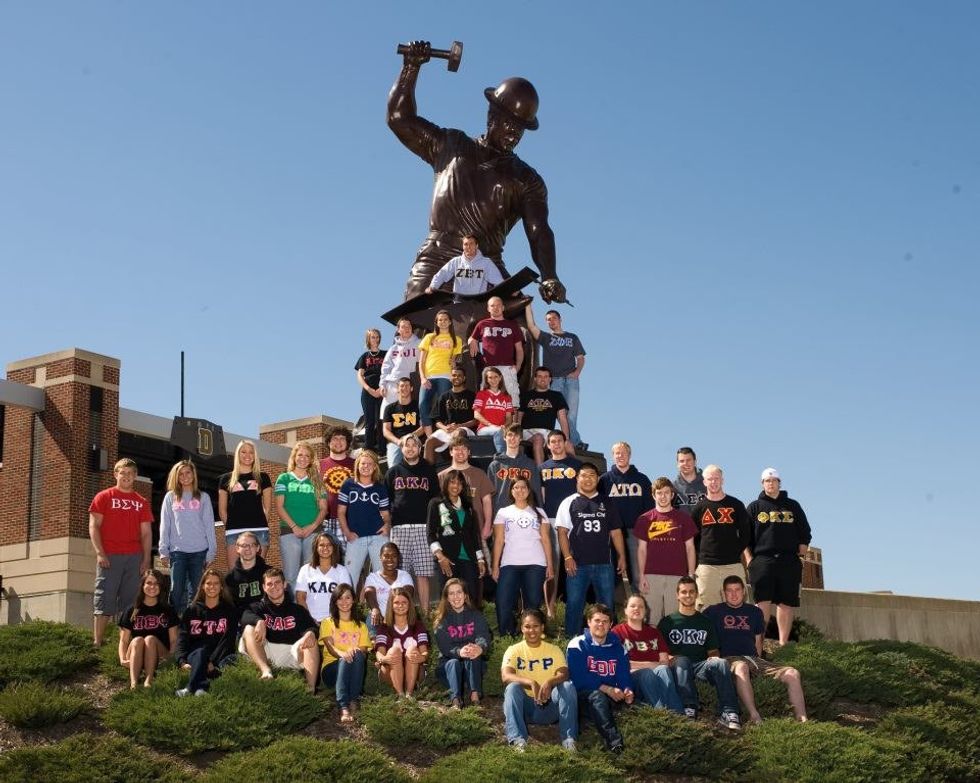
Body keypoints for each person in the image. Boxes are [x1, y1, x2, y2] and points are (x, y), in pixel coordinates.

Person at [389, 43, 566, 304]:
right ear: (492, 114)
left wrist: (550, 275)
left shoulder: (527, 180)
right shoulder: (450, 146)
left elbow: (539, 230)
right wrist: (411, 68)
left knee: (518, 322)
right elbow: (399, 118)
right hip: (437, 260)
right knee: (417, 318)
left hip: (488, 265)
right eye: (509, 123)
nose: (513, 134)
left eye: (520, 128)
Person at [705, 575, 808, 723]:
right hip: (729, 660)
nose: (733, 594)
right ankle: (754, 715)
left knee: (792, 673)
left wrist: (758, 663)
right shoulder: (713, 612)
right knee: (741, 667)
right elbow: (703, 635)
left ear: (744, 592)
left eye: (737, 590)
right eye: (729, 590)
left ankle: (802, 718)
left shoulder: (754, 612)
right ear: (723, 593)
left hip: (754, 659)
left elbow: (759, 640)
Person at [658, 576, 741, 729]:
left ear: (696, 594)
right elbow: (659, 652)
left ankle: (730, 712)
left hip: (700, 666)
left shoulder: (705, 621)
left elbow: (713, 650)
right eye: (684, 592)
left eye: (691, 592)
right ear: (677, 595)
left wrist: (713, 658)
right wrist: (671, 658)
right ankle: (689, 707)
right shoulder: (667, 622)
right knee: (682, 660)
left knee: (721, 662)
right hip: (678, 665)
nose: (688, 595)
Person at [555, 463, 626, 639]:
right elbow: (562, 532)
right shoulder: (568, 502)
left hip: (604, 563)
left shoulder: (607, 502)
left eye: (592, 475)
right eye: (584, 475)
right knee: (574, 604)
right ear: (577, 478)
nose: (588, 479)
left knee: (606, 605)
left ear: (598, 478)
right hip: (577, 564)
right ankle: (571, 642)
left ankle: (608, 641)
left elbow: (616, 532)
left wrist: (622, 556)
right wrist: (567, 557)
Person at [89, 457, 153, 646]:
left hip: (134, 558)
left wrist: (146, 559)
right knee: (104, 599)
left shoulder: (141, 502)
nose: (126, 476)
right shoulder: (103, 497)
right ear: (115, 474)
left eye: (130, 473)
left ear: (135, 476)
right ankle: (97, 643)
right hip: (109, 556)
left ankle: (124, 646)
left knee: (131, 603)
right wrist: (100, 553)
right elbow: (94, 526)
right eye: (123, 472)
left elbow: (146, 533)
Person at [745, 468, 813, 646]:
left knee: (786, 603)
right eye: (767, 481)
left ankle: (783, 645)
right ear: (762, 484)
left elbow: (805, 534)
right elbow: (745, 537)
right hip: (762, 560)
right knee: (762, 603)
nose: (771, 483)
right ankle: (758, 646)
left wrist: (800, 557)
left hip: (788, 560)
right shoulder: (754, 507)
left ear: (779, 483)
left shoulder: (793, 506)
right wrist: (750, 560)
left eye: (774, 480)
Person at [501, 608, 578, 752]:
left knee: (567, 686)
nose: (531, 630)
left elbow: (564, 674)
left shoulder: (553, 650)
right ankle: (517, 740)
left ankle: (569, 739)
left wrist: (549, 682)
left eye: (535, 626)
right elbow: (506, 676)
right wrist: (531, 682)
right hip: (525, 709)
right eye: (527, 626)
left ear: (542, 627)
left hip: (549, 707)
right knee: (512, 688)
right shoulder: (513, 650)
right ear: (522, 628)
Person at [566, 604, 633, 753]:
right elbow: (578, 678)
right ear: (589, 622)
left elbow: (623, 674)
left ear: (611, 624)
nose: (601, 624)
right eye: (597, 620)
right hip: (583, 696)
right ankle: (615, 743)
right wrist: (607, 689)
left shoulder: (618, 647)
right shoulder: (577, 644)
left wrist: (627, 689)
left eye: (605, 621)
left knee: (637, 698)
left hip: (611, 695)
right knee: (598, 696)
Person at [240, 567, 320, 692]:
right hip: (266, 650)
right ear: (264, 587)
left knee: (311, 639)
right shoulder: (258, 607)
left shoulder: (297, 609)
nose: (273, 586)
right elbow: (244, 617)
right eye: (269, 584)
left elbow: (311, 626)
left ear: (284, 584)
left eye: (277, 582)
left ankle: (310, 690)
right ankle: (266, 671)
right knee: (249, 628)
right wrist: (259, 621)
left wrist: (311, 633)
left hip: (290, 653)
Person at [491, 478, 553, 636]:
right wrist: (495, 566)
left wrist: (550, 565)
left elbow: (546, 540)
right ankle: (507, 637)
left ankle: (532, 637)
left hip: (536, 564)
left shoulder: (539, 512)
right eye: (516, 487)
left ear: (529, 490)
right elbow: (499, 541)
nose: (520, 490)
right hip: (509, 563)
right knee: (503, 601)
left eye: (523, 487)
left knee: (533, 603)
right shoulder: (503, 512)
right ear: (511, 491)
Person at [634, 477, 698, 625]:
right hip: (651, 576)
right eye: (659, 493)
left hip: (677, 576)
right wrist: (642, 576)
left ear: (672, 495)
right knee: (650, 621)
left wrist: (691, 575)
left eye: (666, 492)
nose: (663, 496)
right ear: (653, 495)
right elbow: (641, 550)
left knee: (675, 621)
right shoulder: (644, 519)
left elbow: (690, 548)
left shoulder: (684, 518)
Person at [385, 435, 439, 610]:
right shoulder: (393, 472)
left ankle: (425, 614)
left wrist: (433, 526)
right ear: (401, 449)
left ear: (420, 448)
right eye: (406, 445)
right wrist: (388, 523)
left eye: (414, 445)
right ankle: (401, 614)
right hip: (399, 529)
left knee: (423, 574)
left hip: (423, 528)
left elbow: (435, 500)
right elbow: (386, 502)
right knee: (401, 574)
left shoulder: (429, 471)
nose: (410, 448)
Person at [159, 459, 216, 616]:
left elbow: (209, 525)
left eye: (188, 472)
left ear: (193, 474)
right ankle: (174, 625)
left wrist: (211, 551)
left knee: (196, 592)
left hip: (199, 552)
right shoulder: (170, 497)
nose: (185, 476)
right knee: (176, 591)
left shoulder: (203, 497)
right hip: (177, 552)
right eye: (181, 474)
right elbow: (165, 525)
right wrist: (163, 550)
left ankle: (193, 623)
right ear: (176, 477)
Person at [690, 465, 751, 610]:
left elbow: (746, 533)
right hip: (707, 568)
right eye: (710, 479)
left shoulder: (736, 505)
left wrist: (734, 551)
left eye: (716, 478)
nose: (713, 482)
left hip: (732, 565)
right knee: (705, 609)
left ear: (722, 480)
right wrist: (704, 554)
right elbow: (693, 539)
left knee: (739, 608)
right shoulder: (698, 508)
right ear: (704, 482)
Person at [524, 304, 586, 447]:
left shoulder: (572, 337)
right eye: (548, 320)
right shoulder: (546, 338)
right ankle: (575, 442)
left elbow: (581, 358)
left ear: (560, 319)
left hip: (571, 380)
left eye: (554, 318)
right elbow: (531, 326)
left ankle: (573, 441)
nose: (551, 321)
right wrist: (528, 306)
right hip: (555, 380)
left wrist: (577, 372)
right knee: (561, 413)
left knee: (572, 414)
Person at [611, 594, 683, 713]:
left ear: (645, 611)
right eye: (632, 606)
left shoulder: (654, 632)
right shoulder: (617, 632)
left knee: (664, 670)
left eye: (641, 606)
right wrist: (651, 665)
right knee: (647, 673)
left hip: (656, 675)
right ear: (625, 610)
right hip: (631, 680)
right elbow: (619, 663)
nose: (637, 609)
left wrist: (651, 665)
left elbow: (664, 662)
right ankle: (660, 714)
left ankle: (678, 714)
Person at [174, 568, 239, 697]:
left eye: (216, 583)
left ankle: (190, 688)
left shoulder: (229, 611)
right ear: (203, 586)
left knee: (205, 655)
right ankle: (200, 689)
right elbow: (182, 638)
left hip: (219, 656)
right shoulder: (191, 611)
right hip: (195, 654)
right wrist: (182, 661)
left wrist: (212, 662)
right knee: (200, 652)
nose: (212, 587)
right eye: (208, 583)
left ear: (221, 587)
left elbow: (227, 641)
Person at [599, 442, 654, 591]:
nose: (620, 455)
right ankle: (615, 605)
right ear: (613, 456)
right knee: (612, 574)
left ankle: (640, 603)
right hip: (611, 532)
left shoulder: (642, 479)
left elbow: (650, 509)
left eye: (623, 452)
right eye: (617, 453)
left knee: (637, 574)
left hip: (635, 532)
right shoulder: (604, 480)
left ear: (629, 455)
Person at [427, 469, 487, 603]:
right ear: (446, 483)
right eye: (452, 482)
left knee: (472, 598)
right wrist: (441, 557)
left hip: (469, 560)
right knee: (448, 601)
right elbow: (430, 534)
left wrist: (480, 559)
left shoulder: (468, 506)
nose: (456, 486)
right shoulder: (436, 503)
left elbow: (474, 535)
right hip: (447, 560)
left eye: (460, 483)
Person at [433, 578, 493, 708]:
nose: (456, 597)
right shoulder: (441, 620)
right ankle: (455, 701)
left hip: (472, 666)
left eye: (459, 592)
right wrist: (459, 651)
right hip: (448, 667)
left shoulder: (476, 615)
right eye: (451, 593)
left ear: (465, 595)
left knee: (474, 653)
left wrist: (479, 647)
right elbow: (445, 647)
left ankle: (475, 697)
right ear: (447, 598)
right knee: (453, 662)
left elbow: (483, 635)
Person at [275, 441, 328, 588]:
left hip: (313, 532)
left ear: (311, 459)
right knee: (291, 575)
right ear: (294, 457)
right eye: (300, 455)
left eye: (307, 456)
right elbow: (279, 507)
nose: (303, 458)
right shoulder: (284, 478)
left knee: (311, 574)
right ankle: (293, 603)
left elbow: (323, 508)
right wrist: (294, 527)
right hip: (289, 531)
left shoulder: (317, 480)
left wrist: (312, 526)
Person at [538, 430, 582, 606]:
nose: (556, 444)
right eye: (553, 442)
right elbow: (541, 496)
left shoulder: (576, 465)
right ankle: (550, 608)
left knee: (575, 562)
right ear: (548, 446)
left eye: (559, 441)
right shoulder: (542, 468)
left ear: (565, 443)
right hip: (551, 519)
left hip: (573, 519)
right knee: (552, 564)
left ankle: (575, 604)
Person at [338, 450, 391, 590]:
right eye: (363, 463)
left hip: (378, 537)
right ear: (357, 465)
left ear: (375, 467)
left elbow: (385, 514)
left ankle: (382, 605)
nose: (366, 466)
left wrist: (387, 525)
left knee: (383, 577)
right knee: (349, 579)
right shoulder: (348, 485)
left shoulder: (380, 488)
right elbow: (341, 512)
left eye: (370, 464)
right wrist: (347, 533)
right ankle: (348, 605)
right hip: (356, 538)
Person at [318, 583, 371, 723]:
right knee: (345, 659)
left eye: (348, 597)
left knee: (357, 654)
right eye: (340, 598)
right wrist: (343, 654)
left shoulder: (361, 626)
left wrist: (353, 651)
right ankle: (343, 706)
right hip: (331, 671)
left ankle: (353, 699)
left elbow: (364, 653)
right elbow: (330, 648)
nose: (344, 602)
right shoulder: (327, 622)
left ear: (353, 600)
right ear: (335, 602)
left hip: (353, 668)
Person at [118, 569, 179, 689]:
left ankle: (148, 681)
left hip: (160, 655)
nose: (152, 587)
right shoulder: (132, 610)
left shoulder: (168, 610)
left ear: (161, 587)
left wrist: (171, 659)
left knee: (150, 639)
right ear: (142, 585)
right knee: (137, 640)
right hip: (136, 654)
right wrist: (122, 659)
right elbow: (124, 640)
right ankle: (134, 684)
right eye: (149, 583)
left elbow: (173, 639)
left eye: (156, 584)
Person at [218, 439, 273, 567]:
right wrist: (231, 525)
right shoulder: (225, 479)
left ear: (255, 455)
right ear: (237, 454)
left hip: (259, 530)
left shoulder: (263, 477)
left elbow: (268, 508)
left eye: (251, 452)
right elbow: (222, 510)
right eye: (243, 452)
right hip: (234, 532)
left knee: (257, 573)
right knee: (235, 573)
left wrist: (260, 523)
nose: (247, 455)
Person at [374, 587, 429, 698]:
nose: (400, 605)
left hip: (415, 672)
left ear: (409, 605)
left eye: (404, 602)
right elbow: (379, 652)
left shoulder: (418, 625)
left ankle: (409, 694)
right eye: (396, 603)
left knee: (412, 649)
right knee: (394, 650)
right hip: (390, 672)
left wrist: (422, 657)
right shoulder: (384, 627)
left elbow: (424, 652)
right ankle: (400, 695)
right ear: (391, 605)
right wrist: (383, 659)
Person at [437, 434, 495, 541]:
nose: (460, 452)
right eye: (456, 449)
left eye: (464, 449)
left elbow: (487, 501)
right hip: (449, 532)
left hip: (476, 531)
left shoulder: (480, 474)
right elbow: (436, 505)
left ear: (469, 452)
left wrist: (487, 526)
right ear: (451, 452)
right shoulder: (441, 476)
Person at [467, 296, 524, 405]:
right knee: (487, 403)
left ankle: (512, 416)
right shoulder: (482, 324)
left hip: (508, 368)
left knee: (512, 401)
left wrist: (518, 366)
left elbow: (519, 348)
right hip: (489, 368)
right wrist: (472, 340)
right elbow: (471, 338)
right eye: (492, 306)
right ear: (488, 308)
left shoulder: (512, 325)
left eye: (498, 305)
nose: (495, 308)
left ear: (503, 308)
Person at [417, 310, 464, 436]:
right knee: (422, 404)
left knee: (443, 407)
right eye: (440, 320)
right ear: (436, 323)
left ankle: (444, 435)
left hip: (445, 376)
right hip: (428, 377)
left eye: (445, 319)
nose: (443, 322)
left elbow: (453, 361)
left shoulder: (456, 339)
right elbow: (421, 361)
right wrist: (422, 378)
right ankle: (429, 436)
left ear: (450, 322)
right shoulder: (429, 337)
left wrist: (453, 367)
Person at [295, 532, 354, 624]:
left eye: (329, 545)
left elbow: (347, 598)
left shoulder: (342, 570)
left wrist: (335, 619)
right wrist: (310, 619)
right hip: (311, 621)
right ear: (316, 548)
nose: (325, 548)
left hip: (334, 621)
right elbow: (300, 597)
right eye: (321, 545)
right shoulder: (305, 569)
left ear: (334, 547)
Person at [424, 366, 478, 462]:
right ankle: (427, 471)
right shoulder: (443, 396)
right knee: (429, 442)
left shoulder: (472, 396)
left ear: (464, 378)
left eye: (459, 375)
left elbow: (476, 420)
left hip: (465, 430)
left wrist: (459, 426)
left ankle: (458, 466)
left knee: (458, 433)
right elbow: (437, 420)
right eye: (454, 375)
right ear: (450, 378)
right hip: (447, 430)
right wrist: (445, 428)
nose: (456, 377)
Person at [517, 366, 569, 465]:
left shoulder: (556, 396)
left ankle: (577, 472)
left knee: (569, 445)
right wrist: (517, 435)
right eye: (540, 376)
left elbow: (562, 419)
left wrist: (565, 439)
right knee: (538, 438)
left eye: (546, 376)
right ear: (535, 379)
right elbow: (518, 417)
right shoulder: (525, 395)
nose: (543, 379)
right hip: (528, 432)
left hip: (548, 433)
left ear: (550, 379)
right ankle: (540, 472)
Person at [487, 422, 540, 517]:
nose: (512, 438)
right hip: (501, 515)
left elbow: (536, 492)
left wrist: (539, 515)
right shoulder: (495, 465)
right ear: (504, 438)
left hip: (525, 514)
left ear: (521, 438)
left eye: (516, 435)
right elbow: (489, 495)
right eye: (510, 435)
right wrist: (490, 519)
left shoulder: (530, 464)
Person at [425, 233, 505, 295]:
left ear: (476, 246)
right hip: (459, 302)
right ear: (463, 246)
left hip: (478, 302)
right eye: (466, 244)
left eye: (471, 244)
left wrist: (507, 292)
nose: (468, 247)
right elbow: (442, 274)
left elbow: (498, 281)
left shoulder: (486, 263)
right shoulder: (455, 262)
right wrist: (432, 287)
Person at [318, 426, 356, 557]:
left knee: (351, 562)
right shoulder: (318, 465)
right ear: (328, 442)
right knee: (327, 561)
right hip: (326, 521)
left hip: (350, 521)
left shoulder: (358, 464)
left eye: (342, 438)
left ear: (348, 443)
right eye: (335, 438)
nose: (338, 442)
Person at [363, 541, 416, 630]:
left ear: (398, 557)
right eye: (386, 556)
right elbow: (369, 594)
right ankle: (373, 638)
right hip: (379, 618)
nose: (390, 559)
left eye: (394, 556)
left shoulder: (405, 576)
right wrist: (375, 609)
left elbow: (406, 597)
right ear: (380, 557)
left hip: (400, 616)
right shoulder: (373, 577)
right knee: (372, 617)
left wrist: (392, 618)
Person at [378, 318, 420, 417]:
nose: (407, 328)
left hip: (409, 385)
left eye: (409, 326)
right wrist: (382, 384)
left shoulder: (419, 343)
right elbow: (386, 368)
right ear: (398, 330)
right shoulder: (393, 348)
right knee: (386, 416)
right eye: (403, 326)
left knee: (408, 417)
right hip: (392, 385)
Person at [355, 328, 387, 453]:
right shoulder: (364, 356)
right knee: (369, 421)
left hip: (382, 390)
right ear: (368, 339)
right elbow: (359, 375)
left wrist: (380, 388)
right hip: (367, 392)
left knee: (381, 420)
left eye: (377, 337)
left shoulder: (385, 354)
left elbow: (390, 372)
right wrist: (369, 389)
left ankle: (382, 450)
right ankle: (369, 449)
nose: (375, 339)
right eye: (373, 337)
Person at [382, 377, 423, 468]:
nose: (404, 388)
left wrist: (409, 437)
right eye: (402, 386)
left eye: (407, 386)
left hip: (414, 441)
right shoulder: (389, 408)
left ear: (411, 388)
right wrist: (398, 441)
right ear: (397, 388)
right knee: (394, 468)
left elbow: (424, 427)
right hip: (396, 443)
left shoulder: (418, 406)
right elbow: (386, 431)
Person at [223, 531, 268, 614]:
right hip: (241, 616)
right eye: (244, 545)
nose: (248, 548)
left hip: (266, 615)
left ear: (258, 548)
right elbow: (228, 606)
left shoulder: (268, 573)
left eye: (252, 545)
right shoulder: (229, 578)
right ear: (237, 548)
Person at [472, 366, 514, 455]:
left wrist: (504, 426)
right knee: (499, 431)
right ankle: (502, 457)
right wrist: (489, 424)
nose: (493, 380)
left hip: (501, 429)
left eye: (496, 377)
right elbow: (476, 414)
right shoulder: (481, 394)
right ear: (486, 380)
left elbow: (509, 417)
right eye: (490, 377)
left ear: (500, 378)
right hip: (484, 428)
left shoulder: (507, 397)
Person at [673, 447, 706, 517]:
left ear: (695, 461)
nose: (685, 463)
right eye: (682, 461)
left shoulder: (708, 485)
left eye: (688, 460)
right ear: (677, 464)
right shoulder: (672, 489)